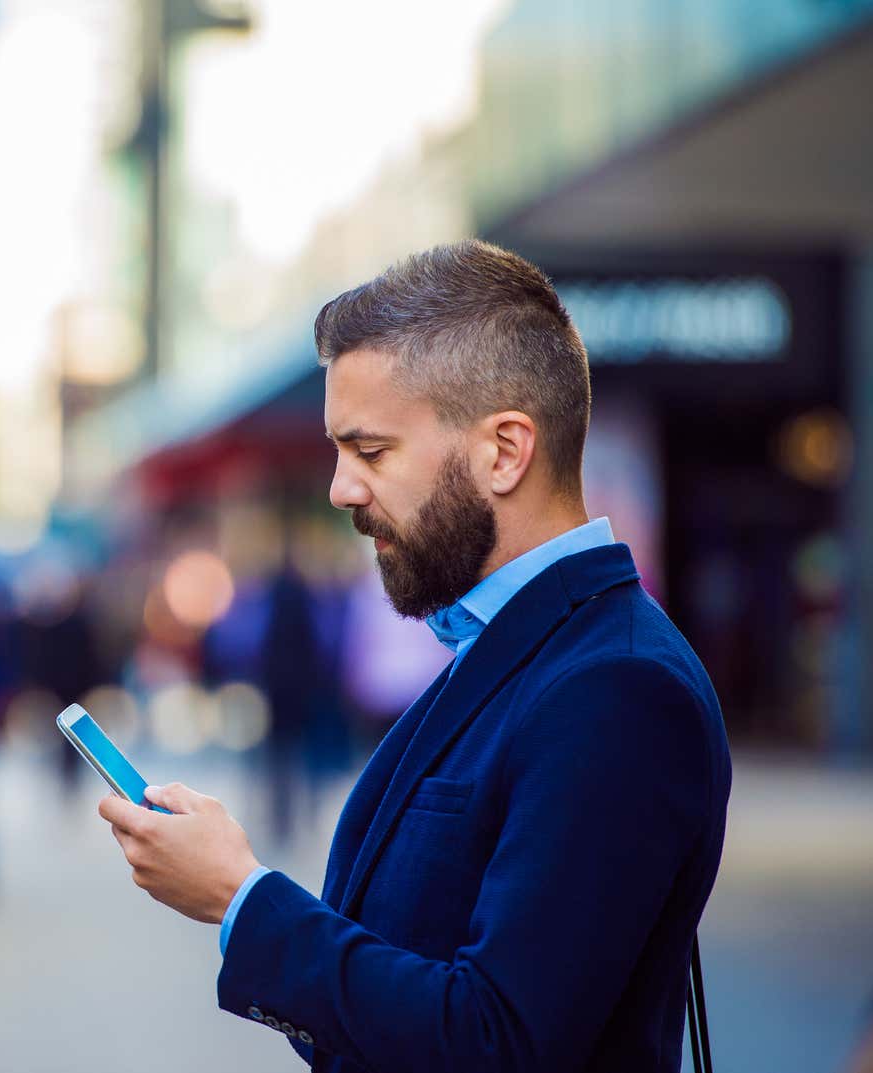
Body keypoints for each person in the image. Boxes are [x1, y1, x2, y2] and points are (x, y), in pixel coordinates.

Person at [98, 240, 732, 1073]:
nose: (341, 489)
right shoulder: (510, 645)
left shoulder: (617, 687)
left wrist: (242, 899)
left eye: (371, 451)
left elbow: (497, 1039)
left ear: (504, 451)